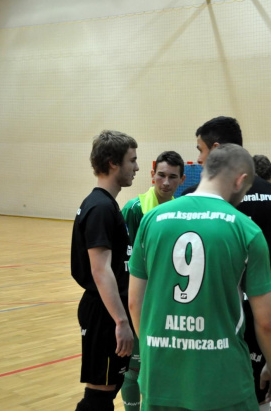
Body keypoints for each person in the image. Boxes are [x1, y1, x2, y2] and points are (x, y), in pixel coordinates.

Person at [128, 144, 271, 411]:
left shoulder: (151, 219)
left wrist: (156, 350)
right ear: (241, 180)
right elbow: (267, 321)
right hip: (223, 378)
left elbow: (134, 303)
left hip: (159, 375)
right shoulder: (246, 229)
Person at [182, 116, 271, 410]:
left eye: (200, 150)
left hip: (213, 313)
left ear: (216, 149)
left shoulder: (192, 200)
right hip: (259, 309)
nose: (198, 158)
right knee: (255, 388)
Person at [71, 130, 139, 411]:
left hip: (108, 311)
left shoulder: (107, 205)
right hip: (104, 314)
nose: (136, 167)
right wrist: (121, 322)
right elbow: (101, 271)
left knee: (106, 392)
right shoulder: (100, 207)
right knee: (99, 396)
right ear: (113, 163)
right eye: (132, 160)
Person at [120, 150, 185, 411]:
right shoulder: (134, 209)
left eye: (172, 177)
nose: (166, 182)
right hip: (140, 303)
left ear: (181, 180)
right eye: (161, 175)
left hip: (169, 306)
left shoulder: (182, 213)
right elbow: (124, 262)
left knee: (164, 368)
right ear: (152, 175)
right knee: (134, 369)